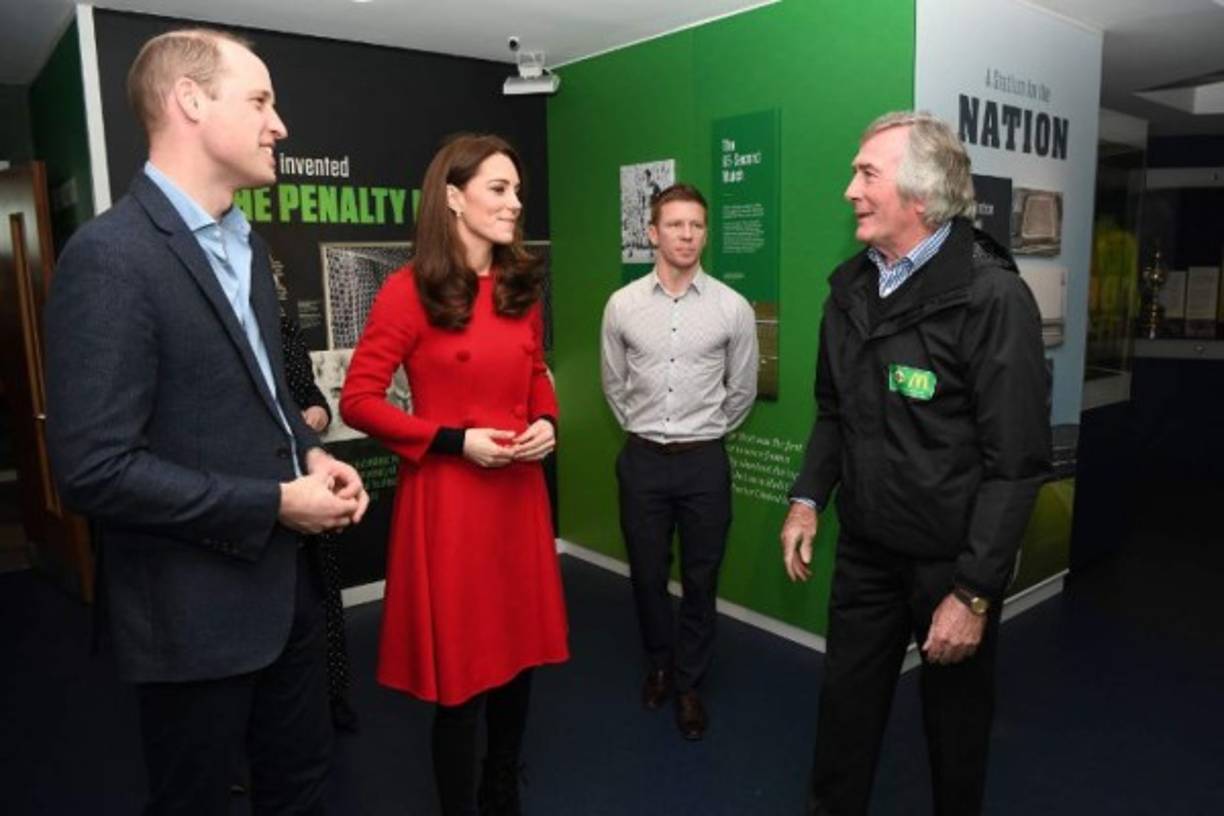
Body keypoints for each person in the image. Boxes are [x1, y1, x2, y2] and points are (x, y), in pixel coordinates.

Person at [43, 29, 368, 815]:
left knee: (302, 790)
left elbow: (262, 397)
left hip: (287, 597)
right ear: (189, 101)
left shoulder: (247, 248)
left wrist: (310, 452)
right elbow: (94, 471)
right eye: (259, 101)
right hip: (192, 617)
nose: (279, 124)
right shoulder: (111, 257)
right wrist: (275, 503)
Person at [779, 111, 1051, 816]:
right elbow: (834, 411)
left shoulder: (992, 298)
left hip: (950, 566)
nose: (849, 190)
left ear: (921, 195)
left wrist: (974, 594)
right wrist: (807, 498)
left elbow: (1016, 464)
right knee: (844, 711)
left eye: (866, 174)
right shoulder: (849, 290)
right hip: (866, 549)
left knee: (954, 731)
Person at [340, 134, 568, 816]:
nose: (515, 203)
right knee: (462, 677)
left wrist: (547, 421)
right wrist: (452, 441)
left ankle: (502, 786)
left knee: (521, 654)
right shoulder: (407, 291)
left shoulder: (520, 288)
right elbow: (359, 401)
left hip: (517, 497)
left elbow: (535, 373)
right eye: (499, 188)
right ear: (453, 198)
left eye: (517, 190)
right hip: (451, 501)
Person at [600, 183, 759, 741]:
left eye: (696, 225)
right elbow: (613, 384)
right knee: (646, 576)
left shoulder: (731, 307)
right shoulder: (622, 305)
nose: (687, 235)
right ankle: (660, 666)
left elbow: (742, 390)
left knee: (700, 577)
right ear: (653, 233)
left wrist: (703, 432)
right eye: (675, 225)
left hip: (703, 464)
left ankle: (689, 683)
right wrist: (647, 429)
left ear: (705, 233)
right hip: (642, 461)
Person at [280, 310, 360, 733]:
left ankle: (333, 696)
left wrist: (318, 412)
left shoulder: (280, 323)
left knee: (324, 591)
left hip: (309, 478)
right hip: (262, 487)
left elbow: (309, 391)